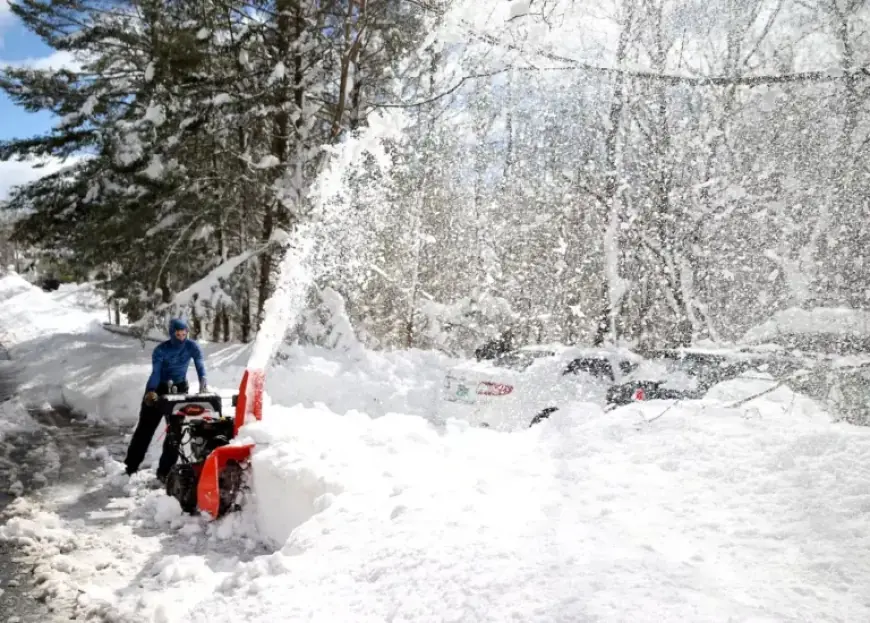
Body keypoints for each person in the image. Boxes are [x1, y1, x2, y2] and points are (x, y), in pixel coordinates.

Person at [123, 317, 208, 480]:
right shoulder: (161, 350)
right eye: (178, 334)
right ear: (172, 333)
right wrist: (152, 391)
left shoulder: (192, 347)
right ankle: (131, 465)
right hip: (158, 389)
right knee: (145, 429)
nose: (182, 338)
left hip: (180, 390)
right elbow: (155, 372)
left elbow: (200, 365)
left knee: (174, 432)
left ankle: (165, 471)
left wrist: (203, 382)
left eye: (184, 334)